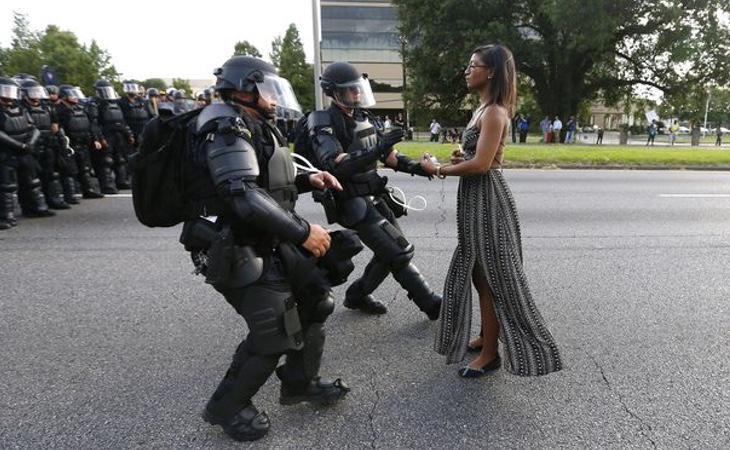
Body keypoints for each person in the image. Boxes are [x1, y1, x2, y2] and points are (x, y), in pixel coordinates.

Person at [173, 56, 351, 442]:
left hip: (266, 238)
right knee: (274, 330)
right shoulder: (223, 126)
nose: (273, 97)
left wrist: (308, 179)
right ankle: (227, 406)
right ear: (243, 89)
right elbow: (242, 195)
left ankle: (300, 381)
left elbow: (264, 178)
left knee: (316, 299)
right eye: (266, 88)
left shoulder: (249, 122)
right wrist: (304, 233)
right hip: (234, 245)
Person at [420, 44, 563, 378]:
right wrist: (461, 157)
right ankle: (487, 335)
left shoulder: (496, 111)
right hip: (475, 198)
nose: (467, 70)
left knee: (492, 277)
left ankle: (490, 354)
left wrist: (438, 169)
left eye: (474, 65)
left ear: (492, 71)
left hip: (488, 200)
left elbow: (483, 165)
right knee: (477, 272)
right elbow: (476, 157)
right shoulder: (481, 110)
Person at [307, 61, 442, 319]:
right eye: (350, 90)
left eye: (358, 89)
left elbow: (390, 157)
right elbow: (335, 164)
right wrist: (378, 149)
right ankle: (432, 304)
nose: (356, 94)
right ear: (333, 92)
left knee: (389, 252)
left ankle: (357, 295)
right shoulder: (322, 120)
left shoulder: (365, 117)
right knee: (398, 251)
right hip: (350, 200)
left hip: (374, 195)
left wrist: (419, 168)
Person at [0, 77, 55, 229]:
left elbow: (33, 128)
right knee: (7, 186)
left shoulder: (21, 108)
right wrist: (19, 145)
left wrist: (30, 143)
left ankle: (36, 208)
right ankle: (6, 216)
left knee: (32, 181)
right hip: (6, 153)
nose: (7, 96)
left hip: (25, 151)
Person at [19, 78, 69, 210]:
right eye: (32, 92)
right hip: (30, 145)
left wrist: (59, 141)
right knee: (31, 178)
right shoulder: (21, 108)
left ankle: (52, 200)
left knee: (50, 174)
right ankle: (32, 206)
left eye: (37, 92)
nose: (35, 96)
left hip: (47, 144)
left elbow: (55, 126)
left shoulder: (47, 107)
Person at [56, 85, 104, 199]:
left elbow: (90, 125)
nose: (75, 97)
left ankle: (88, 190)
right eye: (72, 95)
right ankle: (70, 195)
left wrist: (95, 139)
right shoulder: (60, 110)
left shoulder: (81, 108)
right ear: (64, 96)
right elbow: (58, 128)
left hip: (83, 142)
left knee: (85, 168)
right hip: (70, 144)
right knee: (70, 170)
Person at [88, 79, 134, 193]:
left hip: (118, 134)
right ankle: (107, 185)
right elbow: (94, 123)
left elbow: (122, 120)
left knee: (121, 159)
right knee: (106, 160)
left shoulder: (115, 103)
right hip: (106, 133)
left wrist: (128, 134)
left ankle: (122, 181)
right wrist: (99, 138)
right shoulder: (95, 104)